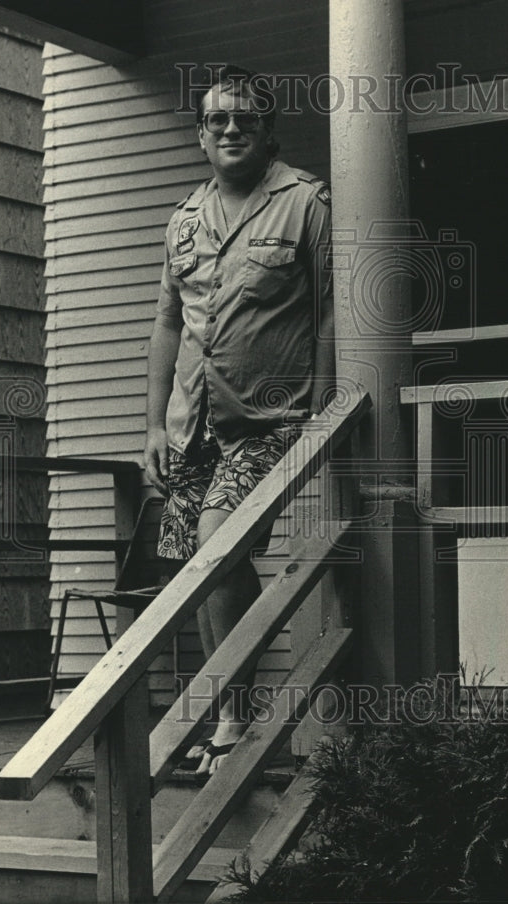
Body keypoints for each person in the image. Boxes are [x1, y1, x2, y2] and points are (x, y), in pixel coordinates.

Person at [144, 64, 335, 775]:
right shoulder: (183, 219)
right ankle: (228, 710)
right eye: (217, 120)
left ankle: (232, 716)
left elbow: (328, 307)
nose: (230, 130)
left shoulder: (304, 201)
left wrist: (321, 396)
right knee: (199, 566)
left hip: (267, 416)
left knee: (217, 545)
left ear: (266, 131)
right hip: (191, 423)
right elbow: (166, 324)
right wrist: (154, 426)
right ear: (200, 134)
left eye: (244, 120)